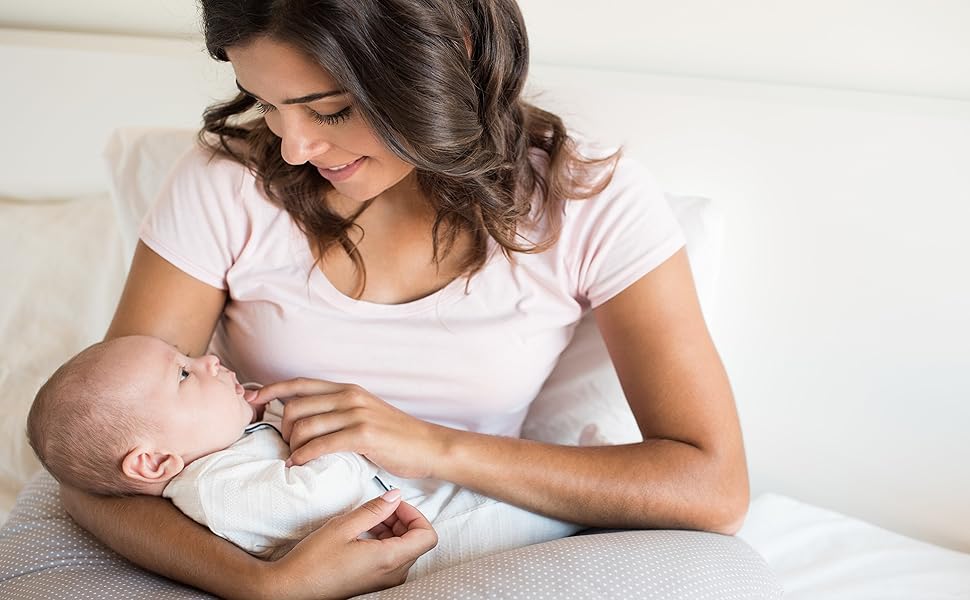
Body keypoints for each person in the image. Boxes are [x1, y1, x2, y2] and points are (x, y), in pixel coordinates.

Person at [59, 0, 750, 598]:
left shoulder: (586, 203)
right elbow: (100, 465)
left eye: (329, 109)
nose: (295, 149)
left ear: (447, 58)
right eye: (267, 104)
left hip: (466, 537)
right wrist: (266, 585)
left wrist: (431, 446)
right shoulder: (228, 182)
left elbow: (712, 488)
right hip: (254, 543)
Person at [28, 335, 579, 577]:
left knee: (558, 495)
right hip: (448, 535)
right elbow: (325, 495)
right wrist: (302, 432)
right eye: (183, 374)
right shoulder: (216, 487)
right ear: (152, 463)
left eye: (190, 356)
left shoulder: (226, 454)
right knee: (550, 513)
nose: (211, 360)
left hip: (432, 504)